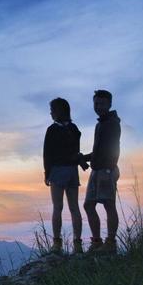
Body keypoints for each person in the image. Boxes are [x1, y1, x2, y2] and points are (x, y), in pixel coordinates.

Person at [82, 89, 121, 254]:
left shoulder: (112, 123)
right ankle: (97, 241)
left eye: (102, 103)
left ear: (109, 104)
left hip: (105, 170)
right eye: (96, 103)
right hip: (97, 170)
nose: (98, 106)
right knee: (89, 205)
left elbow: (111, 150)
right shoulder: (101, 123)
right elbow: (98, 151)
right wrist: (85, 157)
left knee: (108, 205)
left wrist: (107, 169)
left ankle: (110, 243)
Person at [43, 97, 84, 254]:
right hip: (72, 172)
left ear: (58, 111)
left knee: (57, 207)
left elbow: (47, 154)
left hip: (58, 171)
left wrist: (47, 174)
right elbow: (75, 151)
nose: (51, 113)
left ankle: (57, 243)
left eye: (52, 110)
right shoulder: (74, 129)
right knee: (74, 208)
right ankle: (77, 243)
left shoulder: (52, 130)